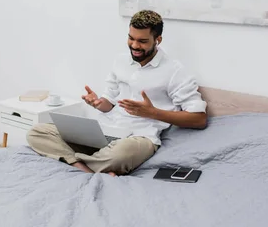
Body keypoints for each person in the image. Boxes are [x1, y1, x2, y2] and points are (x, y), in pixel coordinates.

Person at [26, 10, 208, 177]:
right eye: (131, 38)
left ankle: (75, 161)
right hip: (107, 130)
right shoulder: (120, 61)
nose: (135, 45)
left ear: (158, 40)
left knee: (121, 155)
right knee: (38, 132)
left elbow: (199, 119)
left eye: (142, 41)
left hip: (140, 137)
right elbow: (109, 103)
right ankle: (85, 169)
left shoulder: (174, 71)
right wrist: (98, 102)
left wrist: (152, 113)